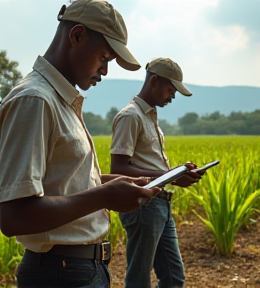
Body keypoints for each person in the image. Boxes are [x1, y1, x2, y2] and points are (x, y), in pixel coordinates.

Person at [0, 1, 160, 287]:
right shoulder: (35, 100)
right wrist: (104, 196)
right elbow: (13, 216)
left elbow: (62, 183)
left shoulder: (61, 100)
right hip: (60, 272)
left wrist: (112, 183)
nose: (106, 71)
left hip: (81, 269)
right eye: (104, 57)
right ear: (77, 36)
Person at [110, 57, 202, 288]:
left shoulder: (150, 117)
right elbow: (119, 168)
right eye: (170, 90)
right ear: (154, 81)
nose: (172, 96)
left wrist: (176, 173)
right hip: (143, 205)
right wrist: (171, 175)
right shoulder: (130, 117)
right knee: (139, 278)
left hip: (161, 203)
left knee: (173, 277)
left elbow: (148, 163)